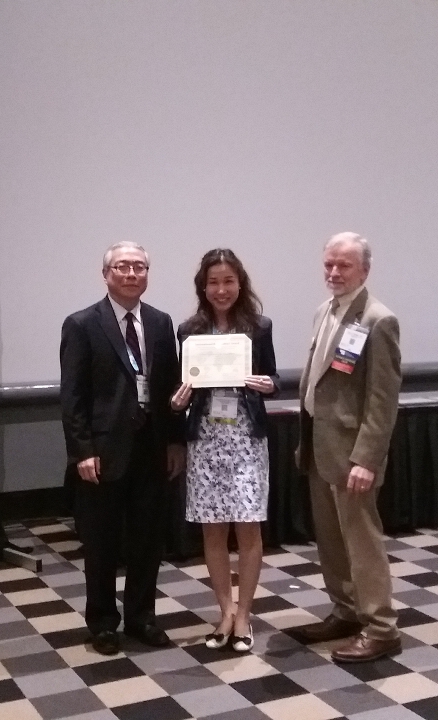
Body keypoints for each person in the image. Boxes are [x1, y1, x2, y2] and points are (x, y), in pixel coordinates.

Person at [60, 242, 185, 655]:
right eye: (122, 267)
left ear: (148, 273)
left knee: (148, 541)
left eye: (140, 267)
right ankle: (102, 622)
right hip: (103, 452)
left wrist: (174, 441)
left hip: (152, 450)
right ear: (106, 274)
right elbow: (73, 395)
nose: (132, 273)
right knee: (102, 543)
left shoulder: (161, 322)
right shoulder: (82, 324)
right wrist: (83, 451)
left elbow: (168, 386)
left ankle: (141, 617)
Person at [290, 231, 403, 663]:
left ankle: (381, 628)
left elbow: (382, 399)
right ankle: (346, 611)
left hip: (353, 456)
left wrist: (367, 459)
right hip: (321, 449)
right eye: (328, 265)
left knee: (362, 543)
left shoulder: (379, 320)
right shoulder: (325, 311)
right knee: (331, 541)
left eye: (344, 266)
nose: (334, 273)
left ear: (365, 270)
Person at [170, 249, 279, 653]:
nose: (221, 290)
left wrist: (269, 384)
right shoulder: (189, 330)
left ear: (240, 284)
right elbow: (182, 388)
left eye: (228, 281)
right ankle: (224, 611)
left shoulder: (259, 326)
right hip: (207, 438)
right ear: (203, 286)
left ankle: (245, 615)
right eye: (213, 282)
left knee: (248, 528)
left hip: (247, 440)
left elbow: (273, 376)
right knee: (212, 530)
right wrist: (177, 402)